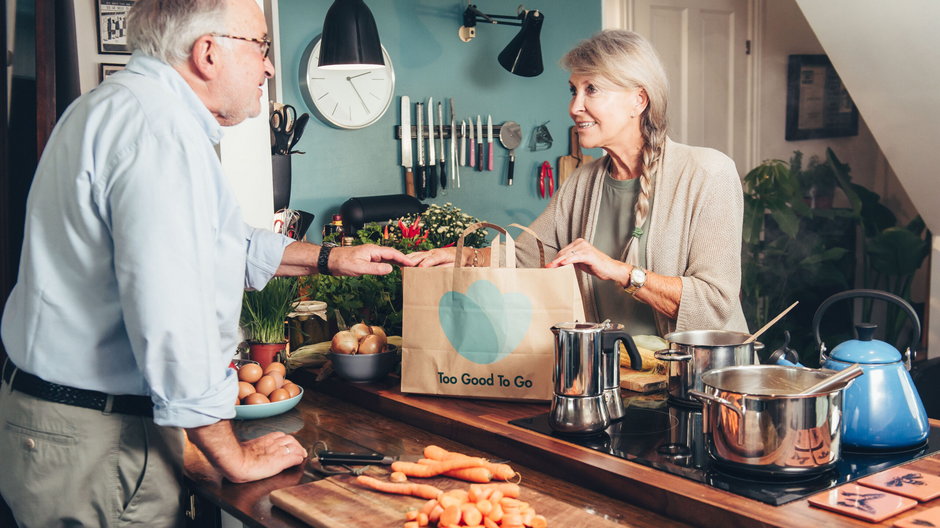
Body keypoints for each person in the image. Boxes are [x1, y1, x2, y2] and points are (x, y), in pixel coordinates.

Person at [0, 0, 412, 525]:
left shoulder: (119, 106)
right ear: (208, 53)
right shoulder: (159, 133)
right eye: (260, 46)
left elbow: (220, 242)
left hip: (64, 426)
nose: (268, 65)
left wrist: (330, 257)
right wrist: (232, 455)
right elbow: (174, 317)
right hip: (99, 440)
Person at [409, 30, 747, 336]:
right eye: (573, 90)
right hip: (618, 380)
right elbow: (528, 256)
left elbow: (713, 306)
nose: (574, 107)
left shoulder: (708, 174)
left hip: (697, 388)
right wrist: (465, 256)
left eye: (592, 90)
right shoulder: (583, 181)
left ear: (639, 100)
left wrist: (619, 271)